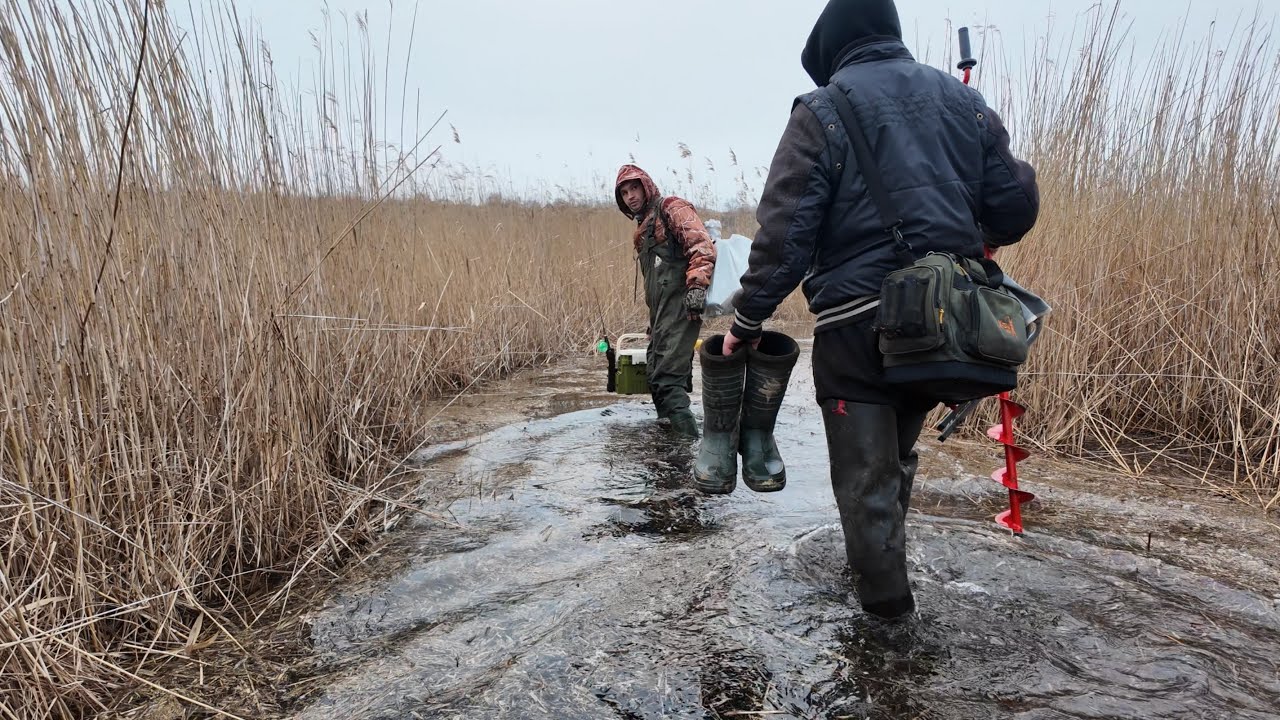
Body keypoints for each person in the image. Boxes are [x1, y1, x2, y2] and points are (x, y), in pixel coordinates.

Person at [719, 0, 1040, 620]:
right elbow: (1015, 208)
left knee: (867, 487)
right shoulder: (962, 101)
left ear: (830, 49)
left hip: (858, 331)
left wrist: (747, 321)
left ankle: (889, 647)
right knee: (893, 466)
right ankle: (881, 580)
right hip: (943, 329)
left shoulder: (822, 110)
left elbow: (786, 238)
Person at [614, 164, 716, 437]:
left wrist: (696, 288)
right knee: (655, 376)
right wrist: (653, 323)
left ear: (646, 186)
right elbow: (656, 285)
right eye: (624, 192)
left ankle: (690, 447)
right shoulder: (642, 229)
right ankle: (669, 442)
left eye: (634, 187)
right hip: (662, 314)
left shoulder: (671, 207)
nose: (630, 196)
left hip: (683, 306)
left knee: (668, 379)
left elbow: (702, 247)